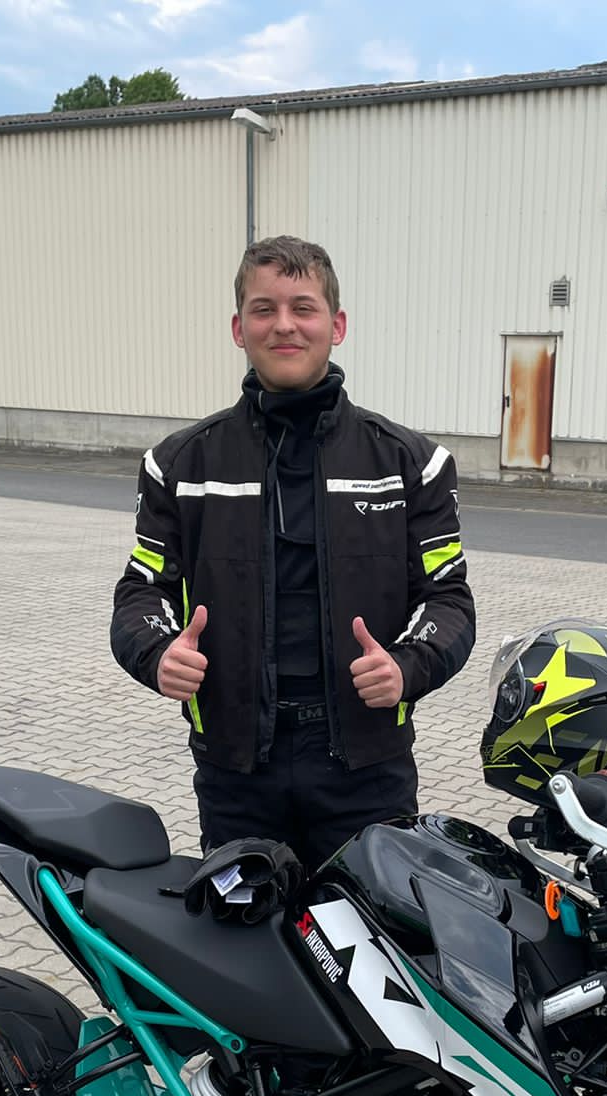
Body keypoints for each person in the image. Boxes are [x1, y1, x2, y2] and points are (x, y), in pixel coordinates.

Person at [111, 236, 475, 869]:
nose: (284, 325)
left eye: (303, 307)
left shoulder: (410, 464)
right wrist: (157, 652)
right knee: (241, 931)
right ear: (239, 328)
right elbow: (141, 592)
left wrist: (407, 667)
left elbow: (449, 599)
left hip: (367, 770)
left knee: (374, 931)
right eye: (264, 308)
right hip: (236, 771)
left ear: (336, 325)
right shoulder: (180, 465)